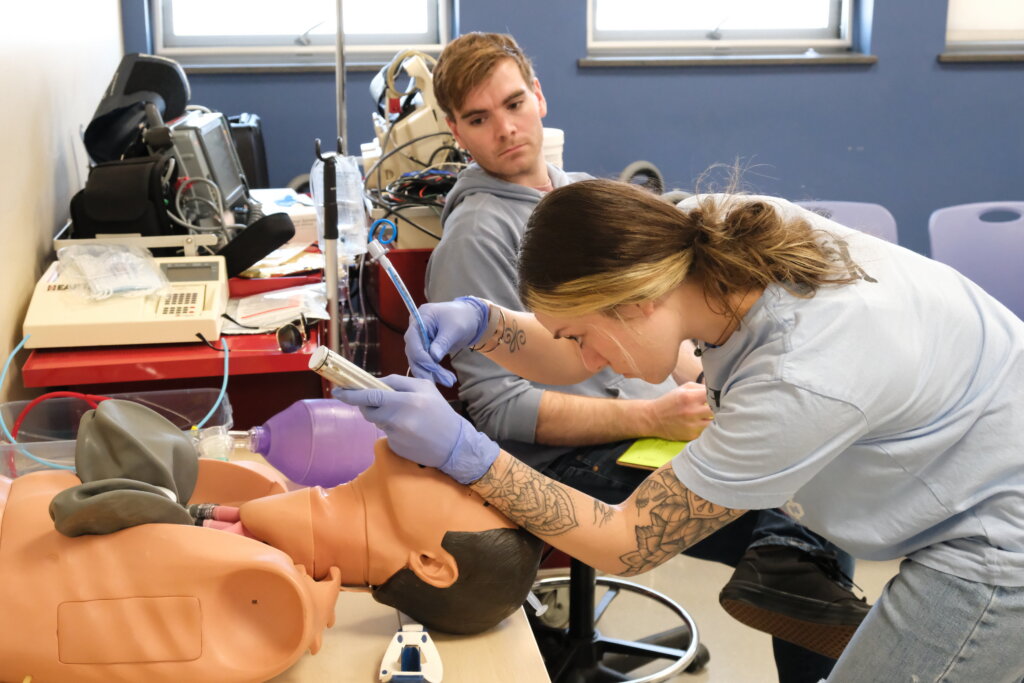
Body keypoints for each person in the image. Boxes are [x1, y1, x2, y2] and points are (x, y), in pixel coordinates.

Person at [335, 178, 1024, 681]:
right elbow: (581, 344)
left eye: (587, 334)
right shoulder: (687, 237)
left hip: (998, 529)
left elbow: (624, 541)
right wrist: (483, 323)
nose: (587, 360)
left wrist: (465, 452)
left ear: (640, 304)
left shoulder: (796, 375)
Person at [423, 30, 866, 675]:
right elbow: (499, 409)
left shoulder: (578, 201)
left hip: (662, 422)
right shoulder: (478, 233)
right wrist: (650, 418)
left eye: (514, 104)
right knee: (794, 534)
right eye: (479, 119)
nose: (506, 129)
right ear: (455, 131)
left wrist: (723, 389)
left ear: (540, 97)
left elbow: (666, 326)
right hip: (571, 459)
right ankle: (796, 585)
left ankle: (801, 586)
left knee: (813, 495)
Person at [1, 400, 541, 682]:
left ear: (431, 563)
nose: (475, 475)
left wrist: (298, 607)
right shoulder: (265, 493)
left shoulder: (270, 596)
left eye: (482, 499)